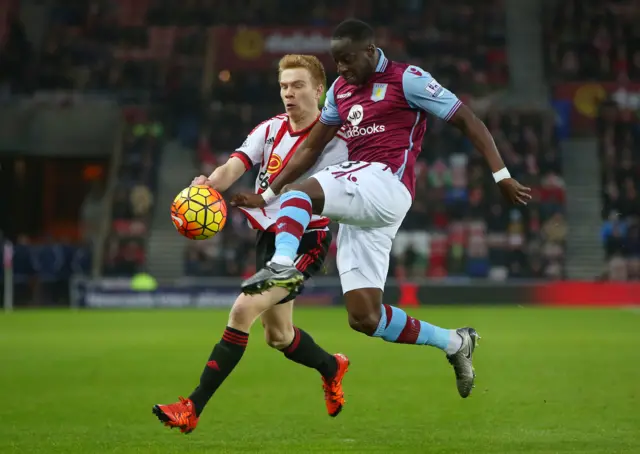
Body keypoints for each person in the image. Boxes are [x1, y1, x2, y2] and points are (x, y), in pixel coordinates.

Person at [233, 19, 532, 399]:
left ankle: (282, 265)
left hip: (387, 182)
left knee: (299, 194)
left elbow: (467, 121)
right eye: (336, 61)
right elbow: (310, 148)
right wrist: (265, 193)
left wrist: (500, 174)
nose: (341, 69)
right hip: (363, 199)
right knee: (364, 316)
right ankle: (456, 343)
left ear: (371, 52)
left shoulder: (407, 79)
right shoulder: (341, 90)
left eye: (348, 60)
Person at [153, 55, 350, 434]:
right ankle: (331, 366)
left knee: (242, 310)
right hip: (269, 237)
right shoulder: (271, 129)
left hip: (306, 240)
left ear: (319, 90)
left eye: (297, 86)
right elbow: (234, 166)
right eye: (283, 86)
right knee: (278, 336)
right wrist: (208, 185)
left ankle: (192, 407)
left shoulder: (336, 141)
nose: (288, 94)